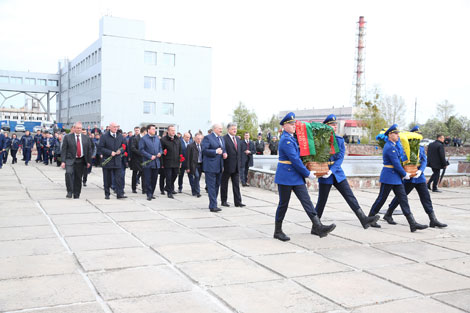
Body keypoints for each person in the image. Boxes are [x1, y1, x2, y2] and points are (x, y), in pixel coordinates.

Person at [273, 112, 336, 241]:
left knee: (306, 201)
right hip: (286, 176)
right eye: (291, 124)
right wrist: (307, 173)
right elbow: (295, 160)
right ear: (284, 126)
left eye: (294, 123)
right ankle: (277, 231)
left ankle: (318, 226)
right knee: (283, 204)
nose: (294, 126)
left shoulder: (292, 138)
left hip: (295, 176)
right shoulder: (286, 140)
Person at [314, 114, 379, 231]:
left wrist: (332, 170)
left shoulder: (339, 140)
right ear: (325, 126)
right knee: (322, 201)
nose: (334, 127)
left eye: (335, 125)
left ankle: (363, 219)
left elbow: (340, 158)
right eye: (331, 125)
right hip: (324, 172)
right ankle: (315, 226)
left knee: (350, 196)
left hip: (337, 173)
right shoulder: (320, 140)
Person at [383, 126, 447, 228]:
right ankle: (388, 213)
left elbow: (424, 160)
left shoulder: (420, 147)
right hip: (410, 176)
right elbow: (401, 160)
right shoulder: (404, 146)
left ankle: (433, 219)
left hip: (419, 176)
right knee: (401, 197)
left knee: (426, 197)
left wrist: (421, 170)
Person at [367, 124, 428, 232]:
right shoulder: (389, 146)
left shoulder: (395, 145)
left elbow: (401, 161)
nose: (398, 135)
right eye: (395, 133)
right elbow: (395, 163)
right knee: (381, 199)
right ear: (390, 135)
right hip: (389, 176)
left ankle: (412, 223)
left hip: (396, 177)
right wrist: (405, 174)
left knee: (403, 199)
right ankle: (370, 218)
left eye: (398, 133)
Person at [61, 122, 92, 199]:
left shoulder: (86, 138)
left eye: (80, 128)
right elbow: (64, 150)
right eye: (77, 128)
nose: (79, 129)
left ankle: (76, 194)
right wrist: (63, 161)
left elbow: (88, 150)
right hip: (70, 159)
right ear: (74, 128)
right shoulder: (67, 137)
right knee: (68, 173)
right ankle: (69, 191)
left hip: (81, 160)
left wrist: (88, 161)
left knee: (78, 178)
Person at [201, 123, 227, 212]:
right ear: (214, 129)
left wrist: (224, 153)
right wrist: (215, 151)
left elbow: (223, 148)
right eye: (220, 129)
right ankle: (213, 206)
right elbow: (204, 150)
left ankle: (213, 204)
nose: (221, 130)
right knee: (211, 186)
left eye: (221, 129)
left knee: (216, 186)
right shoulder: (208, 138)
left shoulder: (221, 138)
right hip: (210, 166)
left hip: (219, 166)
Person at [98, 122, 127, 199]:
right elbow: (101, 148)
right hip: (107, 161)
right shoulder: (104, 136)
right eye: (114, 127)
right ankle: (107, 194)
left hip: (117, 161)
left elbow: (124, 146)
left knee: (119, 178)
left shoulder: (120, 136)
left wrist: (120, 151)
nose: (115, 128)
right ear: (110, 127)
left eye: (116, 127)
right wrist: (110, 152)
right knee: (107, 179)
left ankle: (119, 194)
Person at [221, 122, 245, 207]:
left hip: (236, 167)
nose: (235, 130)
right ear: (228, 130)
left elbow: (240, 153)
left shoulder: (238, 139)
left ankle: (238, 202)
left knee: (236, 185)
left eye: (235, 129)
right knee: (224, 184)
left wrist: (240, 164)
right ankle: (224, 201)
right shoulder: (224, 139)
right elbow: (222, 151)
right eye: (233, 129)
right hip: (227, 166)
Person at [139, 124, 162, 201]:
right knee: (148, 179)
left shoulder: (157, 138)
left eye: (154, 129)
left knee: (154, 179)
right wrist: (149, 156)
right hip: (148, 162)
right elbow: (141, 150)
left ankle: (152, 193)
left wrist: (160, 153)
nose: (154, 130)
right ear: (148, 130)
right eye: (152, 129)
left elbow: (160, 148)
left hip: (156, 162)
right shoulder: (144, 139)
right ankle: (148, 194)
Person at [160, 125, 182, 198]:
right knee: (168, 177)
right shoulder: (163, 140)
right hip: (167, 162)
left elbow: (180, 150)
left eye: (174, 130)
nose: (173, 132)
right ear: (168, 131)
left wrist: (180, 161)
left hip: (176, 161)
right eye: (172, 130)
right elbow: (161, 151)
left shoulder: (177, 139)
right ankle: (169, 192)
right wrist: (162, 163)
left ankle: (167, 187)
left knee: (175, 175)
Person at [186, 133, 203, 197]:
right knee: (196, 176)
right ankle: (198, 192)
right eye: (198, 139)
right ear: (194, 138)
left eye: (201, 139)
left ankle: (194, 190)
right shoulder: (190, 146)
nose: (199, 140)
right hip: (193, 164)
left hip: (200, 164)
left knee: (197, 179)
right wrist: (187, 167)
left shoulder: (202, 145)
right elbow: (187, 157)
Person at [130, 126, 145, 194]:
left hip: (144, 159)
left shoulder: (145, 138)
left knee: (144, 174)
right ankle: (133, 188)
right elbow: (132, 148)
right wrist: (140, 153)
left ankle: (144, 189)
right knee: (135, 173)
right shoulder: (135, 138)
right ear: (144, 132)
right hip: (136, 159)